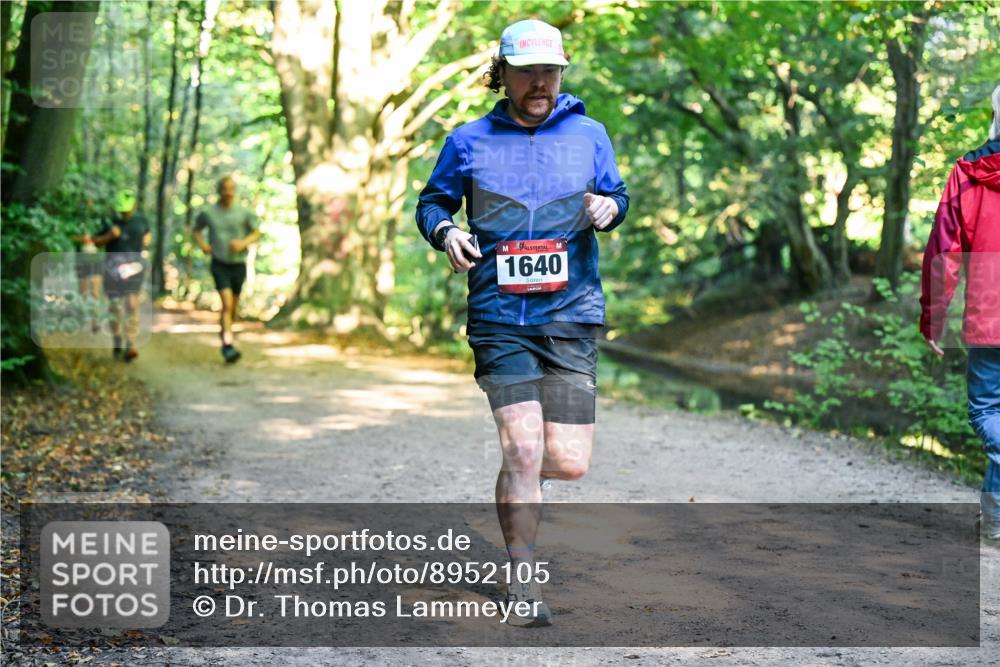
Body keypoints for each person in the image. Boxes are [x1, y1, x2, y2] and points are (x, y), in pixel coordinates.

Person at [416, 19, 629, 625]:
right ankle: (523, 576)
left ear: (562, 72)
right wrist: (447, 230)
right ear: (502, 73)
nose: (540, 83)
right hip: (499, 314)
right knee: (526, 445)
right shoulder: (467, 140)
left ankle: (520, 472)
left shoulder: (590, 134)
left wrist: (609, 207)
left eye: (550, 71)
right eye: (527, 71)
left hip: (572, 311)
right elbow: (432, 201)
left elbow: (618, 197)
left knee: (565, 461)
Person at [920, 83, 1000, 544]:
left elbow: (945, 250)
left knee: (988, 411)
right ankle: (994, 520)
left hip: (989, 316)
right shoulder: (966, 172)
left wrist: (934, 316)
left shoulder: (970, 172)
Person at [193, 176, 261, 364]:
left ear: (235, 191)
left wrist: (243, 243)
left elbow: (256, 232)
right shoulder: (208, 213)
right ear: (219, 191)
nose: (228, 192)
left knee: (233, 308)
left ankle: (225, 335)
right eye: (225, 189)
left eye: (232, 189)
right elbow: (196, 229)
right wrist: (203, 245)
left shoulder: (244, 213)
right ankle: (228, 344)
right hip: (219, 263)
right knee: (227, 304)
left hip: (238, 264)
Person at [92, 190, 150, 362]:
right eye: (122, 211)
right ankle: (117, 340)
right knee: (115, 306)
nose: (125, 213)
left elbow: (147, 238)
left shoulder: (142, 221)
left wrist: (145, 246)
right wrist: (110, 236)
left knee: (132, 304)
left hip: (133, 267)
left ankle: (130, 344)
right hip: (111, 269)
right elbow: (95, 241)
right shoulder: (111, 223)